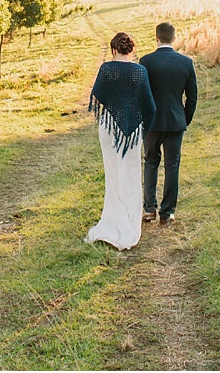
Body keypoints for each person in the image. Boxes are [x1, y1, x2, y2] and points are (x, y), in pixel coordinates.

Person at [85, 31, 156, 250]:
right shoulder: (140, 71)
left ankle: (112, 221)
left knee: (113, 174)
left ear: (114, 49)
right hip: (132, 132)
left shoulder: (107, 69)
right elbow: (150, 106)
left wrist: (115, 103)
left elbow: (97, 97)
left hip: (108, 127)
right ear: (131, 50)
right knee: (132, 175)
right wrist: (140, 124)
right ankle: (130, 225)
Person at [138, 22, 198, 226]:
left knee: (150, 162)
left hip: (152, 122)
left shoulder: (146, 61)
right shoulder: (186, 63)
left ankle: (148, 209)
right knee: (172, 165)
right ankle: (167, 213)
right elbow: (192, 98)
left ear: (156, 38)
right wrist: (184, 119)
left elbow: (141, 95)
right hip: (175, 121)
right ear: (174, 38)